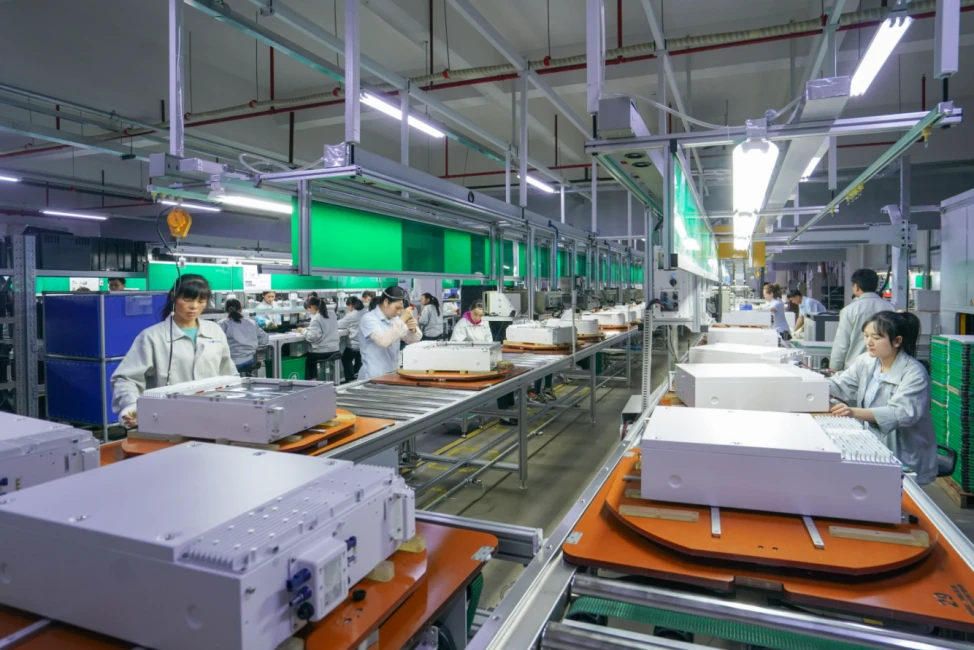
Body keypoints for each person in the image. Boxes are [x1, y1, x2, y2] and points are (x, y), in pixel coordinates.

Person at [111, 274, 235, 427]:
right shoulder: (152, 337)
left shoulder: (214, 331)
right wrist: (132, 404)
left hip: (214, 416)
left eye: (201, 301)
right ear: (173, 297)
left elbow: (228, 374)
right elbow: (125, 378)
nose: (194, 306)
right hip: (166, 418)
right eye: (187, 299)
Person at [828, 311, 936, 484]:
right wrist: (812, 386)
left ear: (897, 341)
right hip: (874, 447)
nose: (869, 342)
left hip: (905, 454)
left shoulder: (914, 373)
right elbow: (842, 384)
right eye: (866, 336)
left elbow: (901, 412)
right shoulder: (866, 361)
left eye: (876, 337)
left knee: (900, 494)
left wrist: (853, 412)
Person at [452, 300, 517, 425]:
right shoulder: (462, 324)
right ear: (470, 310)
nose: (477, 318)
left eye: (480, 315)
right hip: (468, 361)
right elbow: (455, 345)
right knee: (497, 382)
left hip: (483, 358)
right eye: (475, 314)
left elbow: (489, 340)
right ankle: (504, 413)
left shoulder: (485, 322)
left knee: (505, 378)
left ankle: (508, 409)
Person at [830, 269, 894, 371]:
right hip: (884, 368)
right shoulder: (891, 308)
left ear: (856, 287)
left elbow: (842, 344)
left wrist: (834, 368)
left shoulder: (849, 310)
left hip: (855, 369)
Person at [358, 286, 422, 380]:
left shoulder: (394, 319)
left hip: (392, 374)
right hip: (373, 377)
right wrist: (402, 320)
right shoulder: (369, 319)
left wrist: (413, 330)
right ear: (386, 302)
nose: (399, 312)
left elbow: (412, 340)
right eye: (397, 308)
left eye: (401, 309)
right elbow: (384, 341)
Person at [219, 298, 269, 373]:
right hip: (249, 360)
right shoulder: (251, 323)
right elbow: (264, 339)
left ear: (225, 310)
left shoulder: (222, 324)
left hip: (231, 362)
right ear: (240, 309)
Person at [298, 297, 340, 380]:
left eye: (308, 310)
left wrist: (302, 330)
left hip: (322, 351)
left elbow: (313, 337)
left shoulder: (316, 318)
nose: (309, 312)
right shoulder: (332, 314)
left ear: (312, 307)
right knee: (310, 356)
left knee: (306, 359)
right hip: (335, 349)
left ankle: (313, 382)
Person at [338, 296, 365, 381]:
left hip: (354, 344)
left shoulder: (351, 315)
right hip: (365, 344)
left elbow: (338, 324)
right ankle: (357, 375)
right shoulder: (366, 313)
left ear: (350, 305)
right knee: (359, 358)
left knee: (345, 359)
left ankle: (350, 379)